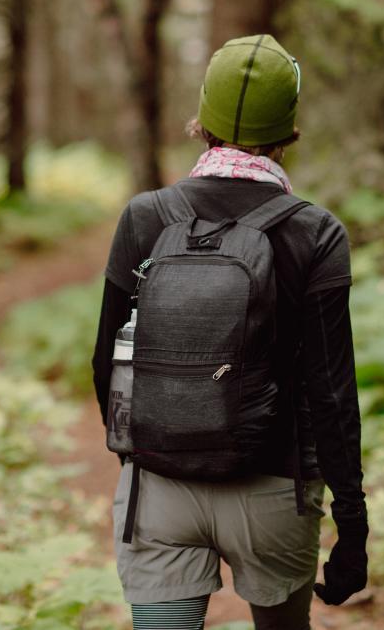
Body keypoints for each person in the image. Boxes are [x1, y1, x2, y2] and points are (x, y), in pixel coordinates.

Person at [91, 34, 368, 630]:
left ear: (203, 119)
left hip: (160, 487)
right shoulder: (316, 233)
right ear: (289, 129)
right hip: (274, 492)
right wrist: (353, 526)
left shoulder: (145, 217)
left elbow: (105, 363)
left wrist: (152, 449)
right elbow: (332, 394)